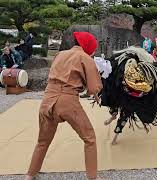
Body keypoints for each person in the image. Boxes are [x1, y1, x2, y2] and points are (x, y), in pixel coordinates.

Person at [24, 32, 103, 180]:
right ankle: (93, 178)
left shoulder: (59, 55)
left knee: (42, 141)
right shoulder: (85, 58)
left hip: (47, 100)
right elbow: (93, 88)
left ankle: (30, 175)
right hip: (67, 101)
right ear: (89, 47)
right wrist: (96, 91)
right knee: (89, 138)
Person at [101, 47, 157, 145]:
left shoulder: (143, 72)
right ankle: (113, 116)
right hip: (124, 89)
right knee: (115, 102)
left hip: (132, 95)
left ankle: (115, 132)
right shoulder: (125, 67)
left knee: (125, 112)